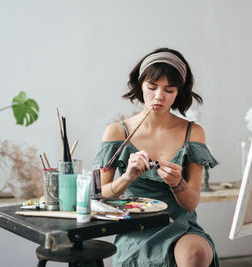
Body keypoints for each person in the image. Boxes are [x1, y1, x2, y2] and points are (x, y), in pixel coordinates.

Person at [93, 47, 219, 267]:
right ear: (140, 85)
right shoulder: (117, 132)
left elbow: (191, 203)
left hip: (180, 227)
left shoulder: (193, 132)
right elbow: (98, 196)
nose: (159, 96)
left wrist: (177, 183)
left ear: (179, 92)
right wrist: (127, 178)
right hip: (135, 229)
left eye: (169, 90)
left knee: (196, 253)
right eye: (152, 87)